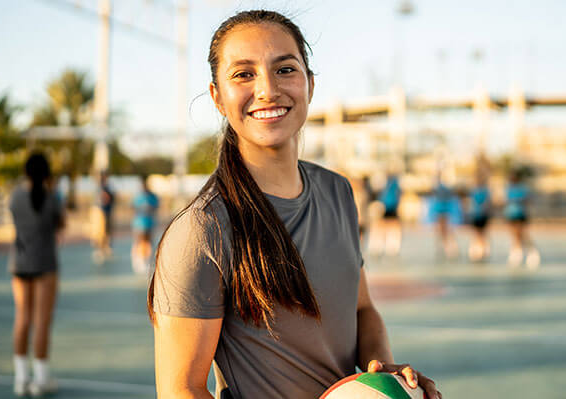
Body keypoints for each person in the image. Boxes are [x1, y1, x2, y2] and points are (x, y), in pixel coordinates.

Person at [148, 10, 440, 399]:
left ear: (310, 84)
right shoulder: (203, 230)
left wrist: (381, 376)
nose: (268, 90)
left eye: (285, 69)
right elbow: (180, 389)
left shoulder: (338, 192)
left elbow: (363, 310)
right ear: (217, 96)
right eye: (243, 74)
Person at [8, 152, 64, 396]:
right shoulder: (51, 197)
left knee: (22, 319)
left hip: (20, 263)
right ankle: (40, 379)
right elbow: (60, 224)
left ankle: (21, 379)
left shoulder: (15, 195)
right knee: (42, 321)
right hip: (45, 264)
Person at [504, 168, 540, 269]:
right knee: (514, 234)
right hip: (511, 215)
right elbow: (507, 200)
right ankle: (516, 253)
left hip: (520, 214)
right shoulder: (509, 188)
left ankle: (532, 252)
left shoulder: (522, 188)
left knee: (523, 234)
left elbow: (527, 199)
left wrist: (519, 201)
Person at [426, 175, 462, 259]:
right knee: (442, 231)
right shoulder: (438, 187)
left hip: (443, 209)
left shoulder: (444, 186)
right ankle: (444, 247)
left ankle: (449, 248)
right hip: (441, 209)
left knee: (445, 230)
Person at [131, 174, 160, 275]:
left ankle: (146, 261)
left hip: (149, 223)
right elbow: (133, 208)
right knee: (139, 242)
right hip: (139, 224)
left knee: (148, 243)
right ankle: (138, 261)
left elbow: (156, 208)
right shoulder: (138, 196)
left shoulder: (152, 196)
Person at [468, 171, 491, 262]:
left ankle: (483, 249)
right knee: (476, 232)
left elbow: (487, 203)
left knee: (482, 233)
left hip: (482, 214)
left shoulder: (485, 191)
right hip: (476, 214)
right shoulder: (474, 190)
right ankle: (477, 249)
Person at [92, 170, 114, 264]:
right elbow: (103, 199)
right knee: (99, 232)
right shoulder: (100, 188)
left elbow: (111, 199)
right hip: (100, 212)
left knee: (106, 231)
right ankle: (99, 249)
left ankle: (105, 247)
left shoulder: (107, 188)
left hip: (106, 212)